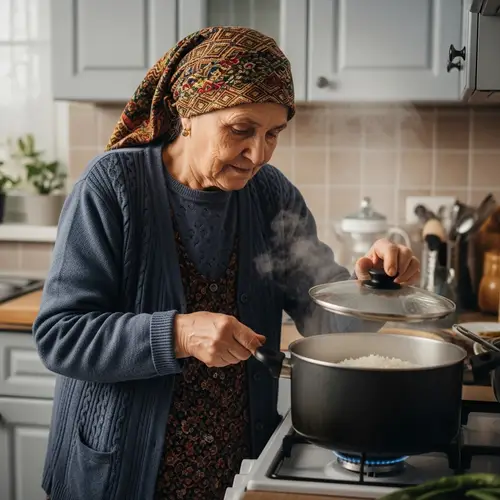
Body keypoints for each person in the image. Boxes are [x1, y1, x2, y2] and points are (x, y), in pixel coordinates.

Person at [34, 26, 420, 500]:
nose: (258, 153)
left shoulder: (271, 195)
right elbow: (60, 336)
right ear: (188, 113)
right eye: (241, 130)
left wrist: (375, 286)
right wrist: (177, 333)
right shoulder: (111, 186)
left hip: (235, 474)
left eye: (273, 134)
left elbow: (327, 321)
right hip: (120, 474)